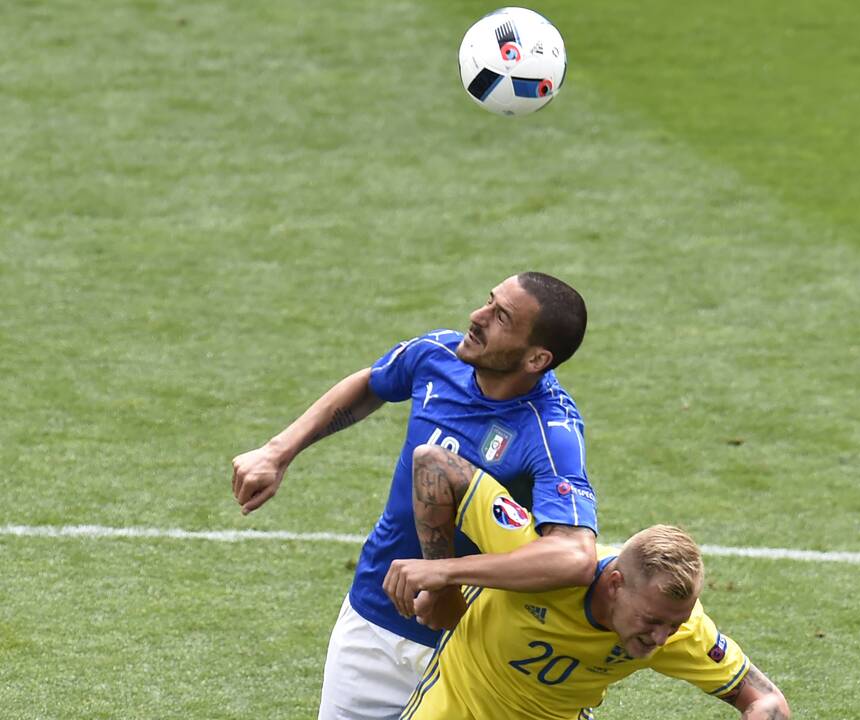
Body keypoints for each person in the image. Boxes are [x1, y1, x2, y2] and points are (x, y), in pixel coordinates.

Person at [231, 273, 599, 720]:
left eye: (500, 316)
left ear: (537, 358)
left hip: (469, 648)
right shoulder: (436, 354)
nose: (476, 316)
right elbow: (373, 383)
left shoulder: (550, 433)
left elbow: (575, 556)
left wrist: (443, 574)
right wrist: (278, 450)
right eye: (488, 301)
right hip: (372, 621)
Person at [384, 445, 792, 720]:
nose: (663, 638)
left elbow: (766, 698)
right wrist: (443, 580)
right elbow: (433, 462)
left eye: (674, 624)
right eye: (652, 620)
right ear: (615, 584)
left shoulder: (679, 629)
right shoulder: (543, 562)